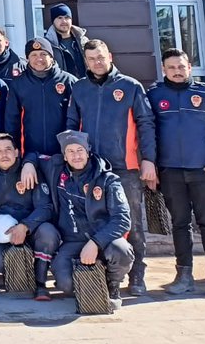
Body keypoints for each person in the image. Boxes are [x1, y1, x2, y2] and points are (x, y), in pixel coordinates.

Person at [66, 39, 157, 297]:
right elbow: (72, 125)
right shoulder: (79, 88)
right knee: (93, 220)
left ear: (110, 56)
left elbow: (146, 124)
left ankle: (137, 274)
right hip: (90, 169)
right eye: (91, 59)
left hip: (124, 167)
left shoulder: (130, 87)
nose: (97, 62)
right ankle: (101, 272)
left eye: (101, 57)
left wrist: (148, 159)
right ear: (86, 61)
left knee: (131, 223)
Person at [147, 49, 205, 302]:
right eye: (171, 67)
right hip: (170, 172)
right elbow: (145, 131)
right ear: (164, 69)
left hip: (202, 172)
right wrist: (152, 165)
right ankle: (184, 276)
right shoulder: (154, 96)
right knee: (180, 224)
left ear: (189, 68)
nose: (177, 71)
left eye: (181, 66)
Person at [24, 130, 133, 309]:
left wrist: (95, 243)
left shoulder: (108, 180)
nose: (76, 156)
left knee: (121, 250)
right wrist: (28, 164)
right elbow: (34, 155)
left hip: (103, 239)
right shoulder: (55, 169)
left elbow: (122, 219)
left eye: (80, 150)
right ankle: (91, 283)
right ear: (64, 156)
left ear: (88, 151)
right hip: (72, 241)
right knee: (65, 285)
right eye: (71, 151)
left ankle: (112, 286)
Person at [0, 134, 60, 300]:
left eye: (8, 149)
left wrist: (25, 226)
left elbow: (46, 207)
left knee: (48, 232)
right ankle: (17, 276)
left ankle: (40, 283)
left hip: (31, 229)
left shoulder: (29, 171)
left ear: (16, 152)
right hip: (3, 233)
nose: (4, 154)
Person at [5, 39, 77, 163]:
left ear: (51, 57)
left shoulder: (69, 81)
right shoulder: (18, 84)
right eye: (34, 55)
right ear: (27, 58)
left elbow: (76, 119)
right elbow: (12, 121)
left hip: (63, 154)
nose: (39, 59)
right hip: (30, 155)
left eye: (43, 54)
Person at [42, 4, 87, 77]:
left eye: (67, 17)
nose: (64, 21)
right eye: (59, 18)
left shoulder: (83, 40)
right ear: (53, 21)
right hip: (61, 86)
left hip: (85, 85)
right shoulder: (47, 45)